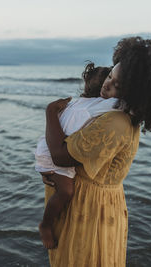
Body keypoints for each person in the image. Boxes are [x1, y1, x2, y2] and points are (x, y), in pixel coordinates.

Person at [41, 36, 151, 266]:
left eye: (117, 85)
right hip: (98, 202)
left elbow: (60, 156)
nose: (107, 84)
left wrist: (49, 112)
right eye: (110, 76)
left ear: (134, 92)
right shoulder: (122, 114)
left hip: (88, 210)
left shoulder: (115, 122)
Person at [36, 63, 118, 249]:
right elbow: (121, 105)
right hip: (53, 151)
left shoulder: (75, 102)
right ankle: (46, 225)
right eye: (108, 80)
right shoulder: (99, 105)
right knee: (66, 192)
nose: (108, 86)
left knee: (62, 190)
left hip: (46, 147)